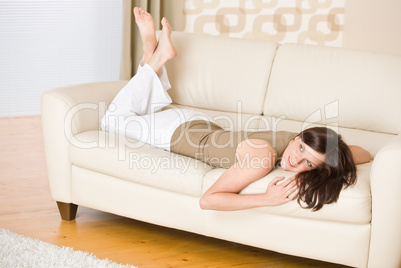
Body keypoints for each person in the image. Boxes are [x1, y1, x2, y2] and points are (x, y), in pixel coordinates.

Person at [101, 8, 371, 212]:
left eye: (308, 163)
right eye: (301, 150)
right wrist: (266, 198)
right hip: (176, 133)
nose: (295, 162)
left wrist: (321, 167)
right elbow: (209, 200)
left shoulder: (293, 137)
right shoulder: (263, 157)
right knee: (112, 120)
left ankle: (151, 52)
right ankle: (157, 56)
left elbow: (362, 153)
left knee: (143, 105)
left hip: (197, 123)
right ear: (298, 139)